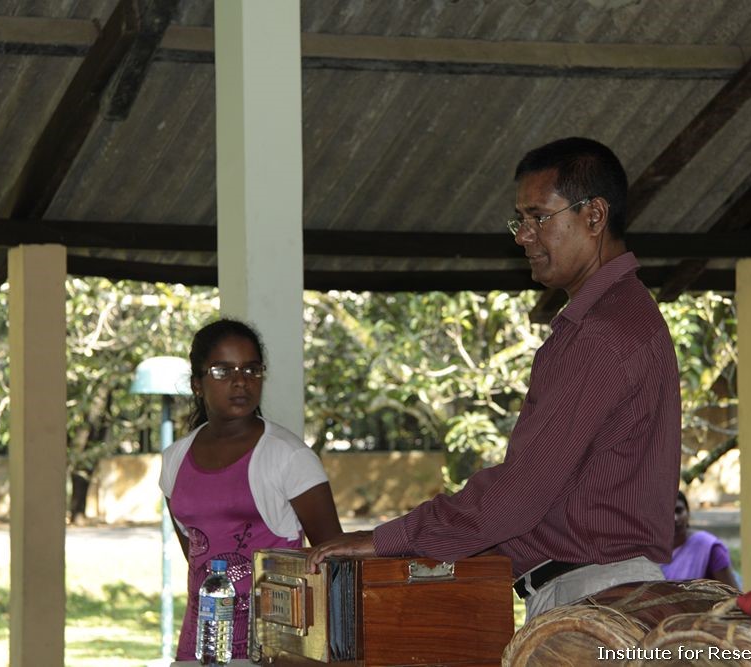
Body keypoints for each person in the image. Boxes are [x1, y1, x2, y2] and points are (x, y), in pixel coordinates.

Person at [306, 137, 682, 621]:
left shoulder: (603, 332)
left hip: (592, 596)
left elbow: (518, 497)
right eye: (519, 220)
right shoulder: (616, 316)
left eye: (538, 217)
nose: (523, 236)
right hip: (594, 590)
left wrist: (387, 539)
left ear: (593, 216)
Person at [160, 318, 342, 660]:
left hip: (272, 649)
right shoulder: (174, 460)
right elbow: (197, 556)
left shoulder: (289, 457)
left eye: (251, 369)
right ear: (197, 384)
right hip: (201, 646)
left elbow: (334, 562)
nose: (241, 381)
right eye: (222, 371)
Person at [662, 490, 739, 589]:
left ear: (688, 513)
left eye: (679, 510)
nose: (675, 518)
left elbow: (734, 595)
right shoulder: (649, 552)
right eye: (667, 513)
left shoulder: (709, 548)